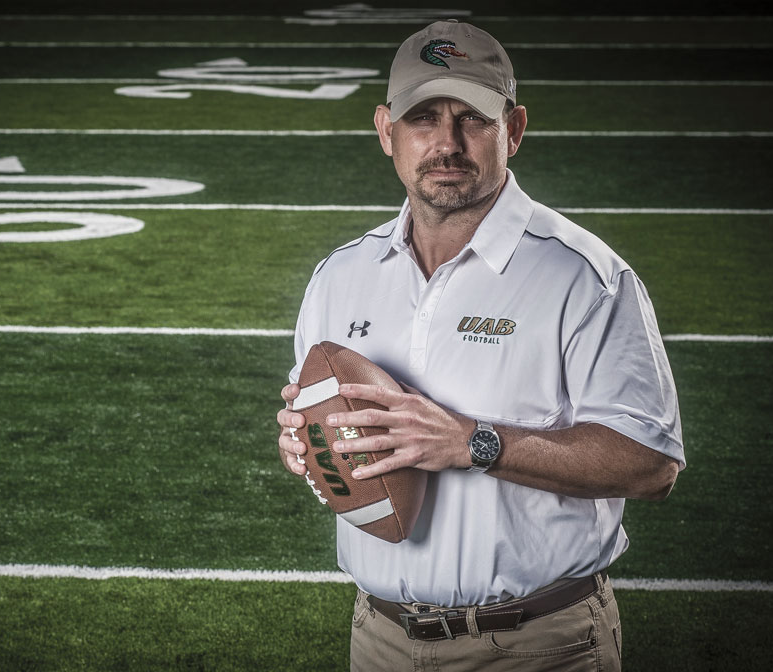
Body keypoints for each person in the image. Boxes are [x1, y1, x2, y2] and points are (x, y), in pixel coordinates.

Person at [275, 21, 684, 671]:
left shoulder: (584, 278)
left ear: (513, 129)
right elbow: (326, 421)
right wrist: (309, 439)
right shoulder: (339, 276)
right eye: (423, 118)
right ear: (386, 132)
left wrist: (474, 443)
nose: (446, 142)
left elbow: (651, 464)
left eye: (473, 118)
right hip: (377, 637)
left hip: (539, 644)